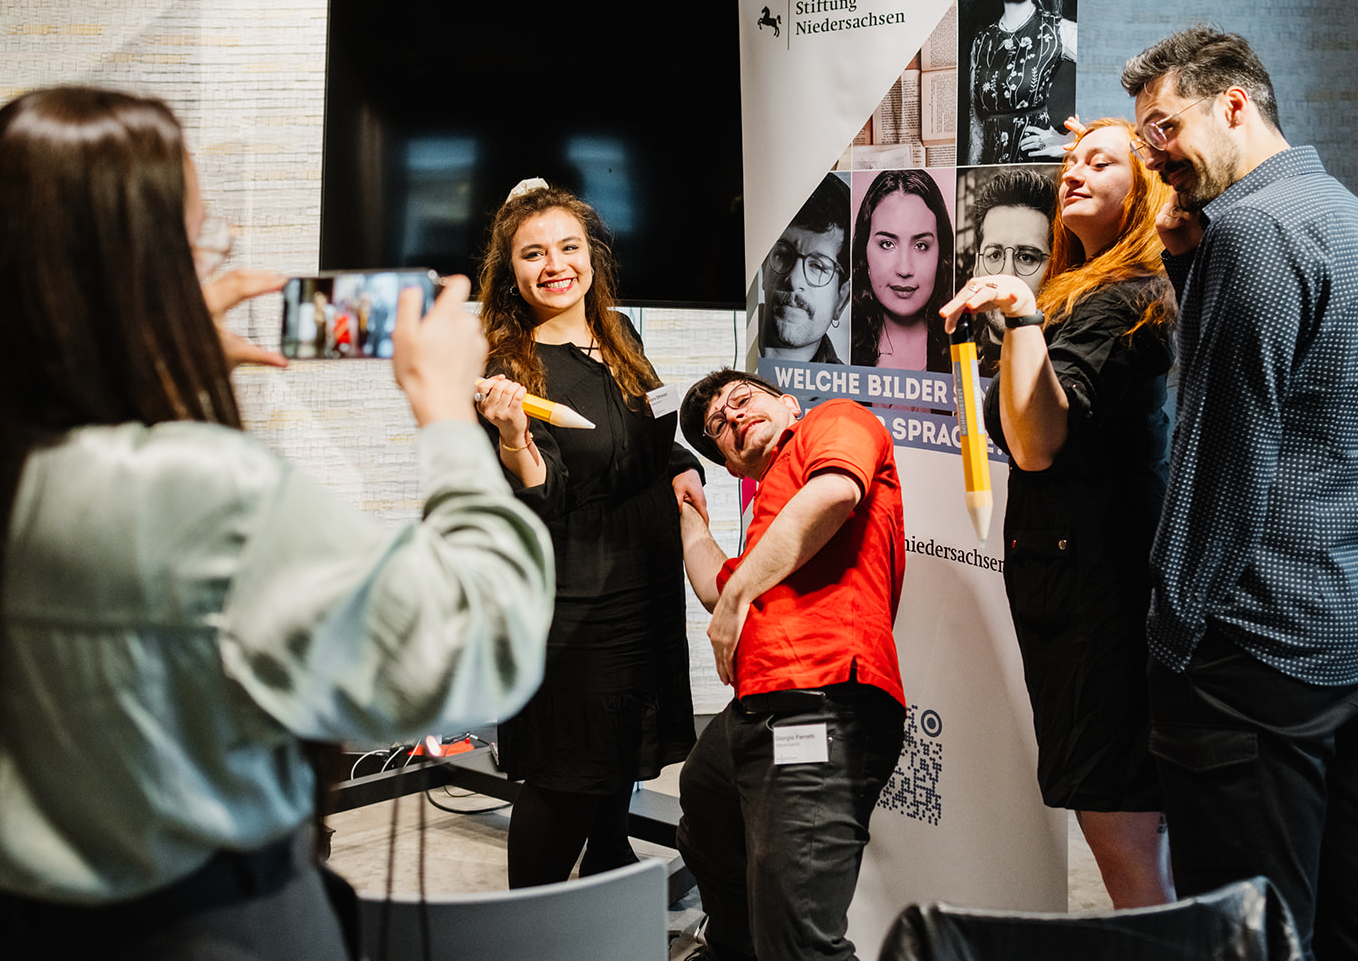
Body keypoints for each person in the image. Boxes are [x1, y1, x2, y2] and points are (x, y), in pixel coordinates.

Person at [0, 87, 554, 960]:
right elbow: (487, 644)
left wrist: (140, 361)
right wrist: (444, 414)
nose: (222, 255)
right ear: (132, 273)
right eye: (200, 239)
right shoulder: (215, 496)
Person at [1121, 26, 1358, 959]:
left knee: (1248, 936)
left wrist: (1173, 631)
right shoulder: (1344, 212)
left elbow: (1223, 460)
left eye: (1164, 127)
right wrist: (1181, 261)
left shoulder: (1252, 231)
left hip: (1257, 655)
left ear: (1234, 103)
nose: (1152, 155)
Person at [940, 117, 1177, 909]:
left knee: (1121, 834)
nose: (1072, 171)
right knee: (1115, 822)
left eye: (1100, 162)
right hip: (1072, 583)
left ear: (1143, 189)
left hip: (1099, 596)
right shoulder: (1080, 288)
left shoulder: (1128, 299)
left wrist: (1025, 320)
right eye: (1071, 159)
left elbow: (1034, 443)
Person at [473, 179, 701, 888]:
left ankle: (609, 858)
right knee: (567, 769)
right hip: (580, 601)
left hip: (646, 581)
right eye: (533, 253)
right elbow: (543, 497)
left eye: (568, 247)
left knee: (620, 743)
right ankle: (527, 917)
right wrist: (515, 437)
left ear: (592, 254)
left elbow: (652, 426)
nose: (555, 265)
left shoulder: (619, 334)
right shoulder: (513, 367)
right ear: (509, 271)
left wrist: (682, 467)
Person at [674, 371, 907, 961]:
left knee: (800, 939)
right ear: (730, 465)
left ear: (786, 402)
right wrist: (689, 510)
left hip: (822, 699)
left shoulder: (832, 421)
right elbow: (711, 584)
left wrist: (737, 596)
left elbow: (835, 494)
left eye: (741, 399)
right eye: (718, 425)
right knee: (704, 804)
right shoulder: (766, 534)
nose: (731, 416)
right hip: (755, 709)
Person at [959, 0, 1077, 165]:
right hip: (991, 175)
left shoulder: (1060, 30)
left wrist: (1073, 141)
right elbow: (976, 123)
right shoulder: (981, 43)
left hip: (1037, 172)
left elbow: (1108, 84)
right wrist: (972, 173)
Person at [850, 169, 954, 373]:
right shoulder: (843, 353)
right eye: (888, 244)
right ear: (864, 251)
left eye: (921, 245)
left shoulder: (964, 352)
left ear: (941, 255)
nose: (904, 269)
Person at [962, 166, 1055, 376]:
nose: (1008, 275)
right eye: (994, 255)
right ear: (976, 269)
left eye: (1027, 257)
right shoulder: (960, 383)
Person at [758, 172, 851, 364]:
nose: (794, 280)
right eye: (783, 255)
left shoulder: (852, 393)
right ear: (765, 268)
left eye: (818, 266)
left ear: (841, 300)